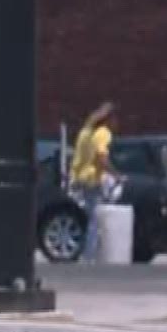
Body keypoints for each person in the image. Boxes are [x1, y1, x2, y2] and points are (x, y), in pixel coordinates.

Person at [67, 102, 117, 261]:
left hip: (78, 177)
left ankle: (86, 250)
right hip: (92, 179)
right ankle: (89, 255)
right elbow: (101, 158)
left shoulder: (85, 132)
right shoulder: (103, 133)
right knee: (94, 219)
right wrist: (116, 175)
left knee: (86, 215)